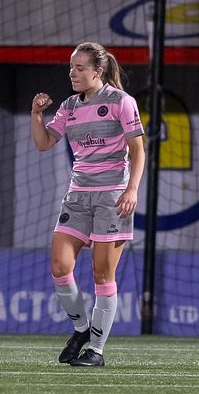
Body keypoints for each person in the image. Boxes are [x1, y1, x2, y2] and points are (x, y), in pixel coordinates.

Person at [30, 42, 145, 367]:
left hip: (112, 198)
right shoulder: (69, 106)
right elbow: (43, 143)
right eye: (71, 67)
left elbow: (138, 150)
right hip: (78, 196)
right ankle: (81, 328)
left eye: (80, 68)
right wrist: (37, 114)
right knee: (59, 266)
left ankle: (95, 350)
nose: (73, 73)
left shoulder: (122, 102)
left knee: (101, 274)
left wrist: (132, 189)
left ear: (99, 70)